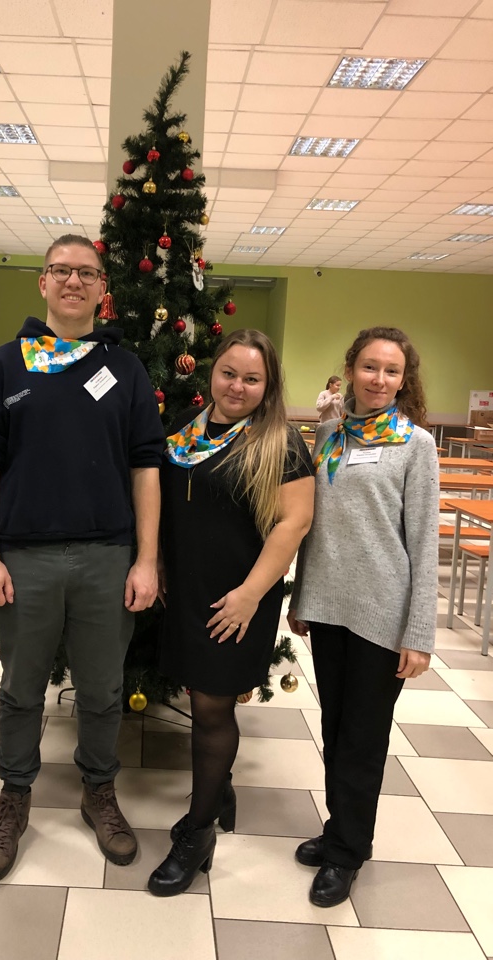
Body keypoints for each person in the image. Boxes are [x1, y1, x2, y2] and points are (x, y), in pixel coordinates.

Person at [0, 234, 163, 882]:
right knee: (21, 690)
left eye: (87, 273)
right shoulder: (6, 365)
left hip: (107, 557)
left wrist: (147, 560)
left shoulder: (124, 368)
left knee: (103, 690)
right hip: (25, 559)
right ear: (42, 283)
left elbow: (147, 467)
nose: (74, 281)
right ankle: (14, 795)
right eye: (61, 270)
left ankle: (98, 790)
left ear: (103, 288)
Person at [147, 329, 315, 897]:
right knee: (199, 695)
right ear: (211, 372)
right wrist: (159, 560)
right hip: (188, 588)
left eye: (251, 378)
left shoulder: (280, 442)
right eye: (228, 373)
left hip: (238, 596)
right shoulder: (186, 428)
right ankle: (218, 792)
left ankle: (197, 836)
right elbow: (170, 503)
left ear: (268, 385)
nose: (237, 386)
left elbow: (294, 522)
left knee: (212, 708)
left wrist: (250, 595)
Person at [288, 326, 439, 908]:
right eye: (370, 367)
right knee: (335, 727)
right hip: (328, 610)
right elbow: (312, 526)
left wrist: (419, 634)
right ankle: (339, 830)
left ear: (403, 380)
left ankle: (348, 851)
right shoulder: (329, 434)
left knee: (363, 737)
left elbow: (423, 542)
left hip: (382, 616)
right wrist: (302, 598)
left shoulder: (415, 445)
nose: (379, 379)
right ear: (350, 369)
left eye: (391, 371)